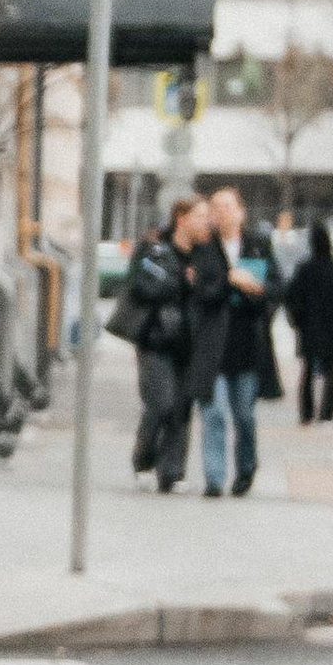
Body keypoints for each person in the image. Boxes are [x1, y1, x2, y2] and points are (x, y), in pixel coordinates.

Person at [189, 182, 283, 495]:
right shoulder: (204, 248)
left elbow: (277, 288)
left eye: (227, 207)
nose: (221, 213)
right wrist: (231, 282)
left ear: (241, 212)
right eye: (215, 208)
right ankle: (214, 479)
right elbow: (201, 292)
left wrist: (257, 290)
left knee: (244, 415)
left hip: (247, 343)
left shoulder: (258, 245)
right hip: (213, 345)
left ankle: (245, 469)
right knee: (214, 413)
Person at [114, 195, 204, 493]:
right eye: (200, 216)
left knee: (181, 408)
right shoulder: (154, 248)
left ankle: (173, 472)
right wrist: (182, 280)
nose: (206, 222)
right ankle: (144, 461)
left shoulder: (204, 255)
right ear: (182, 217)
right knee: (160, 404)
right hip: (156, 338)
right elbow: (140, 285)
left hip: (189, 341)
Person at [285, 216, 333, 422]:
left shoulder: (305, 268)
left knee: (307, 370)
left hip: (310, 327)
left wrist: (297, 319)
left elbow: (291, 296)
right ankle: (327, 411)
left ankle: (306, 412)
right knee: (331, 372)